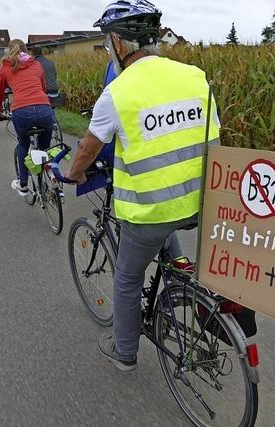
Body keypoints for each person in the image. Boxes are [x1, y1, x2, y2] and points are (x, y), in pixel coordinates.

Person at [64, 0, 221, 371]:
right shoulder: (195, 77)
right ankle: (185, 288)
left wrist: (75, 173)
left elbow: (88, 148)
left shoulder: (118, 92)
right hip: (202, 202)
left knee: (127, 277)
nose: (108, 49)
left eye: (108, 42)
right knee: (168, 230)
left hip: (151, 211)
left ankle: (125, 354)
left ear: (120, 43)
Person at [0, 39, 53, 196]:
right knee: (44, 148)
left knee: (23, 146)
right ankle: (53, 179)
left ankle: (24, 185)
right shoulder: (36, 64)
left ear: (9, 50)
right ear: (26, 50)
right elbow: (43, 88)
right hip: (44, 108)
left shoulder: (6, 66)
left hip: (21, 110)